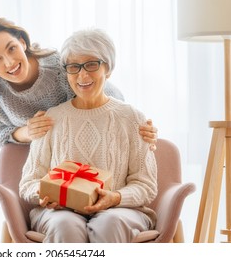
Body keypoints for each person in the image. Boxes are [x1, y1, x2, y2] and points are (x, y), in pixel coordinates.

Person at [19, 28, 158, 243]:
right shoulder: (51, 118)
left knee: (109, 223)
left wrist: (115, 198)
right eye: (73, 67)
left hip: (119, 211)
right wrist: (46, 194)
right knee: (65, 225)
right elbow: (28, 182)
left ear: (108, 69)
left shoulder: (132, 118)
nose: (82, 75)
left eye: (92, 64)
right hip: (59, 213)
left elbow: (146, 185)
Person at [0, 16, 158, 147]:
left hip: (83, 144)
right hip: (41, 159)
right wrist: (26, 132)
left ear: (22, 42)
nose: (9, 63)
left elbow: (100, 93)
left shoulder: (58, 67)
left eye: (11, 48)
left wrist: (134, 124)